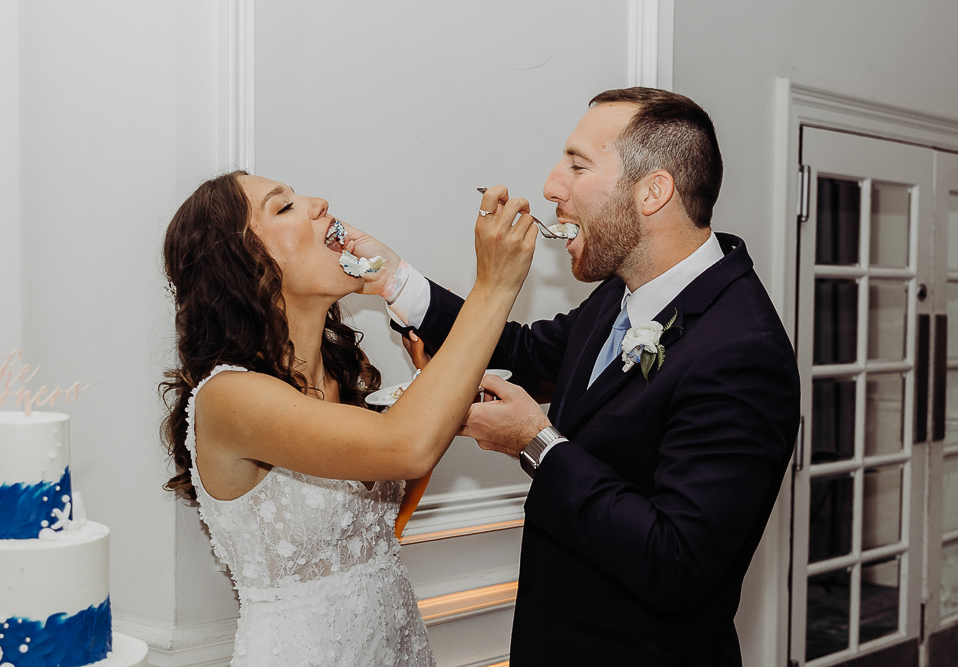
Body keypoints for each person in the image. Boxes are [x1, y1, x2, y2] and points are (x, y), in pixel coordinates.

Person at [356, 88, 802, 665]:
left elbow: (676, 563)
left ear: (653, 191)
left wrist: (536, 443)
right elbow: (524, 352)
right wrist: (394, 281)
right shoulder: (621, 289)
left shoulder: (744, 350)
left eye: (578, 164)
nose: (551, 186)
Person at [159, 171, 537, 666]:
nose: (319, 203)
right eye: (284, 207)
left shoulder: (341, 378)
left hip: (396, 643)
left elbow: (396, 478)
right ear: (244, 266)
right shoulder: (230, 398)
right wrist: (495, 283)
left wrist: (440, 398)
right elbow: (406, 445)